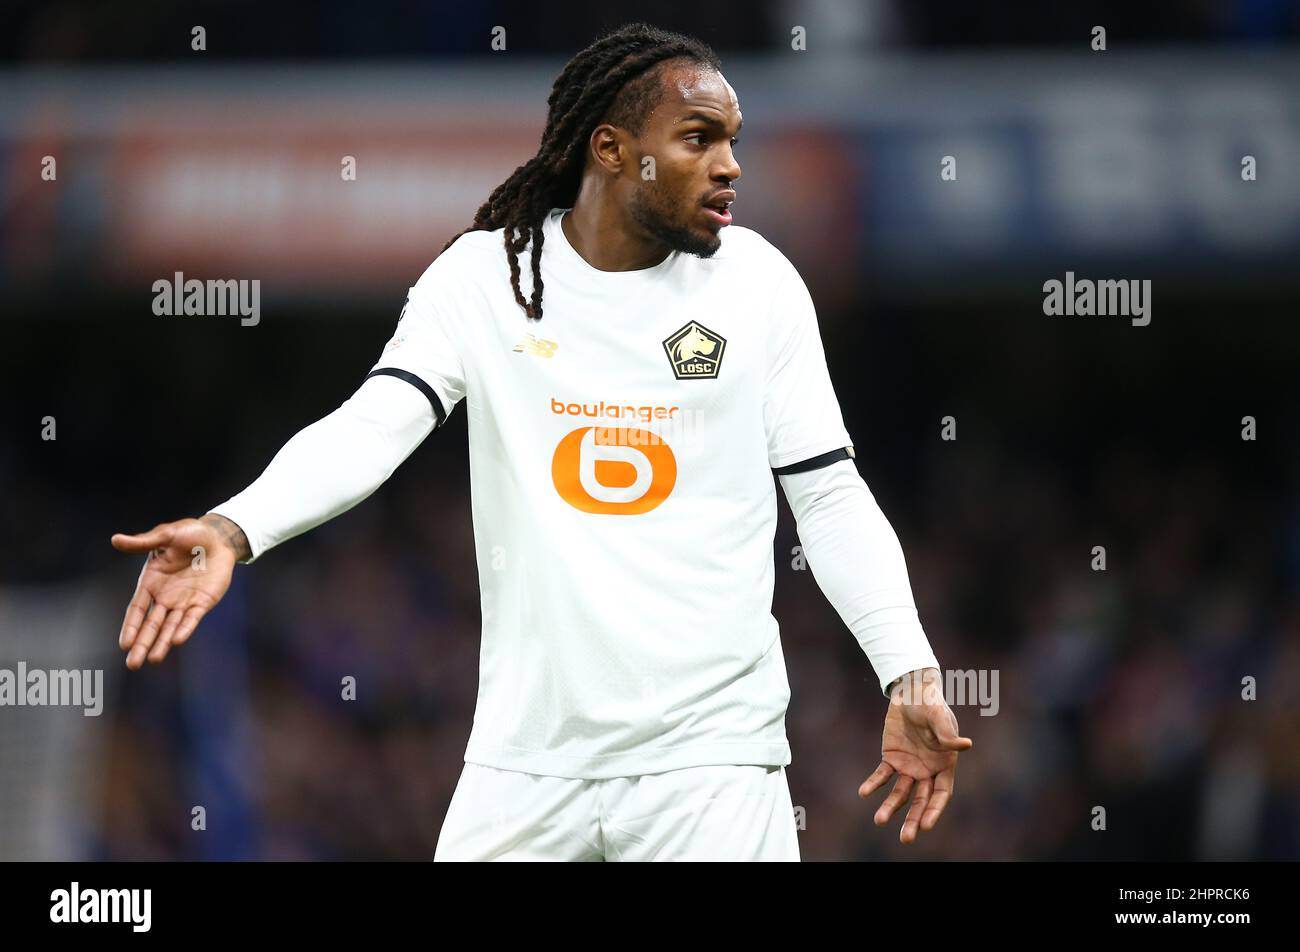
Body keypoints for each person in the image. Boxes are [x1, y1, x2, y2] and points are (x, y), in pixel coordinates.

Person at [112, 22, 971, 861]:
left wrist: (909, 669)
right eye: (698, 138)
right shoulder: (484, 279)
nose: (729, 164)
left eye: (733, 141)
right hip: (523, 765)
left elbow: (827, 493)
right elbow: (372, 425)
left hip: (711, 766)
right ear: (610, 149)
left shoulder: (758, 284)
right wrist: (235, 527)